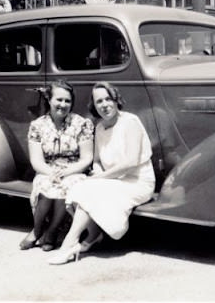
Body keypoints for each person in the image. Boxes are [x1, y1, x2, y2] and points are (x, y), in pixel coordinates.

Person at [47, 82, 155, 264]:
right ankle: (93, 236)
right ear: (94, 106)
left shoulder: (130, 122)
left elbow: (130, 162)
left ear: (116, 100)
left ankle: (69, 243)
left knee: (90, 189)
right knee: (80, 188)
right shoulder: (99, 127)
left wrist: (99, 178)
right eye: (99, 102)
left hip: (137, 182)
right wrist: (97, 173)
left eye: (108, 99)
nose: (104, 105)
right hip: (113, 180)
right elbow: (96, 160)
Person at [19, 80, 94, 251]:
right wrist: (51, 172)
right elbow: (36, 161)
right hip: (47, 169)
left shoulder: (82, 124)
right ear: (49, 100)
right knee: (45, 185)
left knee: (66, 186)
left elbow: (86, 158)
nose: (63, 104)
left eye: (67, 101)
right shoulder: (37, 126)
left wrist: (67, 171)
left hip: (74, 170)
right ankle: (37, 230)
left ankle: (52, 231)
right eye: (59, 100)